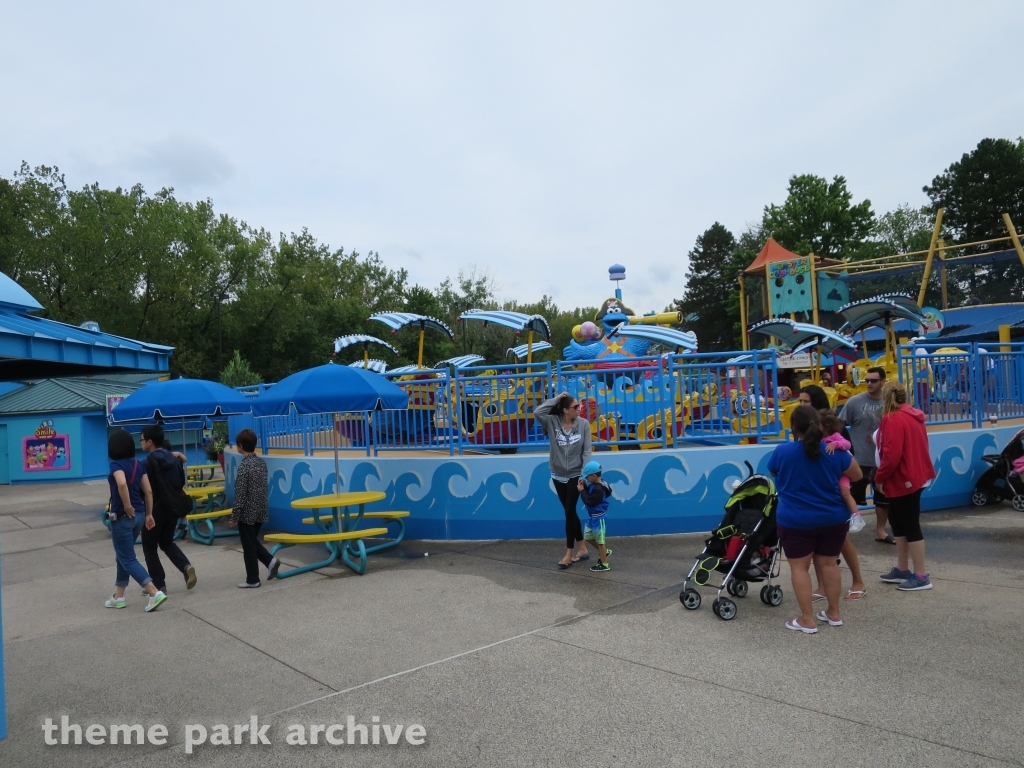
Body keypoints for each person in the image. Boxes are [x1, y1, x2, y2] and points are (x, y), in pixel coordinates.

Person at [767, 406, 863, 633]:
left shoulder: (783, 451)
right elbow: (857, 475)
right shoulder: (836, 453)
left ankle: (807, 619)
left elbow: (773, 472)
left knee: (800, 568)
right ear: (820, 425)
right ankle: (833, 612)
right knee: (829, 564)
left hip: (796, 520)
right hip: (833, 518)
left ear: (794, 428)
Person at [875, 381, 936, 591]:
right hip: (915, 475)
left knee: (909, 525)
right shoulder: (913, 415)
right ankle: (903, 568)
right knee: (899, 523)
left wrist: (879, 477)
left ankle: (920, 575)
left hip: (902, 478)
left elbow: (891, 455)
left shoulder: (892, 419)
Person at [104, 430, 167, 612]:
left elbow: (122, 484)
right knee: (122, 556)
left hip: (123, 517)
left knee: (127, 558)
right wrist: (149, 514)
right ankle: (119, 596)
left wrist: (126, 505)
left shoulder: (116, 466)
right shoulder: (138, 464)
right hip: (139, 516)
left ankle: (154, 592)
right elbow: (148, 491)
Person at [534, 391, 592, 569]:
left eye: (579, 405)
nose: (579, 409)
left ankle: (569, 552)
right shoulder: (552, 422)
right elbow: (538, 412)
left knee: (569, 511)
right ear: (565, 410)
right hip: (558, 474)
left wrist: (583, 475)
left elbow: (587, 452)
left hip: (576, 474)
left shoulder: (583, 424)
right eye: (575, 407)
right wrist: (556, 399)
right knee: (570, 512)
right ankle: (582, 548)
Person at [141, 425, 197, 594]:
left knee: (149, 546)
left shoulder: (146, 464)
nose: (141, 442)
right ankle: (185, 566)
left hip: (154, 510)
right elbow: (180, 483)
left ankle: (158, 584)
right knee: (166, 542)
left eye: (142, 439)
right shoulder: (175, 460)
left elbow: (142, 489)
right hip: (173, 508)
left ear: (150, 442)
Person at [817, 411, 867, 600]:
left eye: (807, 401)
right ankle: (822, 586)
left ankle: (858, 581)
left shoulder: (836, 439)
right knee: (817, 543)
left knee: (842, 540)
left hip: (835, 496)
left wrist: (835, 445)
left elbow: (855, 471)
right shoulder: (810, 436)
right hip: (820, 497)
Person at [840, 366, 892, 543]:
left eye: (873, 380)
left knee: (883, 499)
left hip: (882, 460)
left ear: (883, 381)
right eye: (867, 380)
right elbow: (838, 425)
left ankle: (880, 531)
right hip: (859, 460)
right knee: (850, 497)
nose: (869, 383)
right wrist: (846, 449)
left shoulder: (889, 402)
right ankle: (842, 534)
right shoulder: (854, 402)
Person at [229, 429, 279, 587]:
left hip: (247, 512)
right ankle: (270, 562)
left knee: (248, 545)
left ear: (240, 446)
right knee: (251, 541)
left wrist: (235, 515)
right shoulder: (260, 463)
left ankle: (253, 578)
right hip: (261, 509)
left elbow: (241, 493)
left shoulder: (245, 466)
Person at [578, 460, 613, 572]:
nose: (586, 479)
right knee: (588, 537)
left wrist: (582, 491)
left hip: (599, 518)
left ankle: (604, 564)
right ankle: (604, 552)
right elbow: (592, 492)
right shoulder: (596, 485)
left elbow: (589, 501)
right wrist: (585, 487)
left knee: (600, 541)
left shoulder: (599, 489)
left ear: (593, 476)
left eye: (587, 477)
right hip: (592, 517)